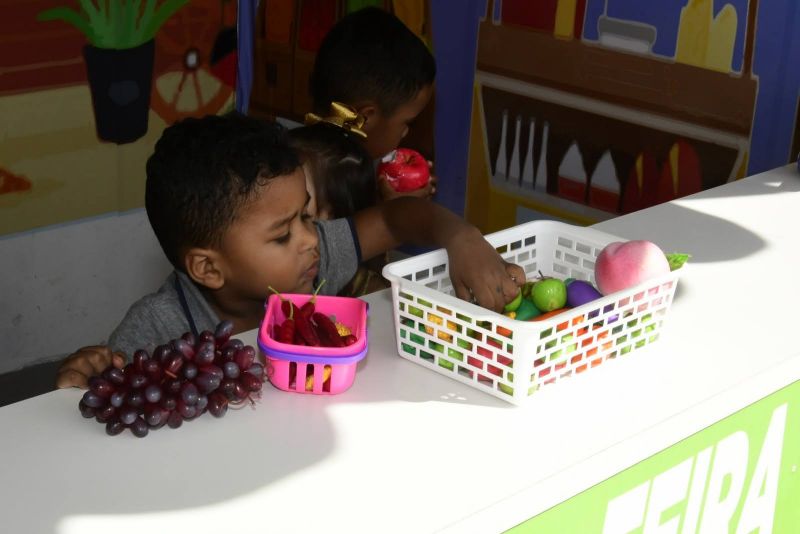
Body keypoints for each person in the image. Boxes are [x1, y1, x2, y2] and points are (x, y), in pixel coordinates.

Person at [56, 113, 525, 388]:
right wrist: (82, 380)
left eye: (306, 215)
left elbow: (390, 218)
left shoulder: (309, 257)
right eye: (282, 234)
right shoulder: (156, 328)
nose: (308, 239)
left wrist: (460, 237)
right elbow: (106, 398)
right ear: (207, 268)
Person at [309, 7, 436, 199]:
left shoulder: (344, 163)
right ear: (366, 116)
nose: (406, 132)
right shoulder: (312, 185)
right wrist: (386, 216)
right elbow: (334, 229)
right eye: (407, 123)